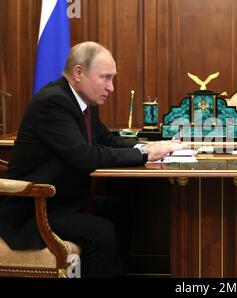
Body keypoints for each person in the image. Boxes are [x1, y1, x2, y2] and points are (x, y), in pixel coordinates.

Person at [0, 41, 186, 277]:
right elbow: (85, 157)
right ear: (78, 73)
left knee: (122, 208)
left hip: (65, 201)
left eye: (112, 78)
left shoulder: (84, 101)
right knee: (102, 231)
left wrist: (148, 146)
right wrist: (144, 154)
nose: (111, 88)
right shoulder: (53, 102)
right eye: (105, 78)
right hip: (35, 209)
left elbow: (107, 140)